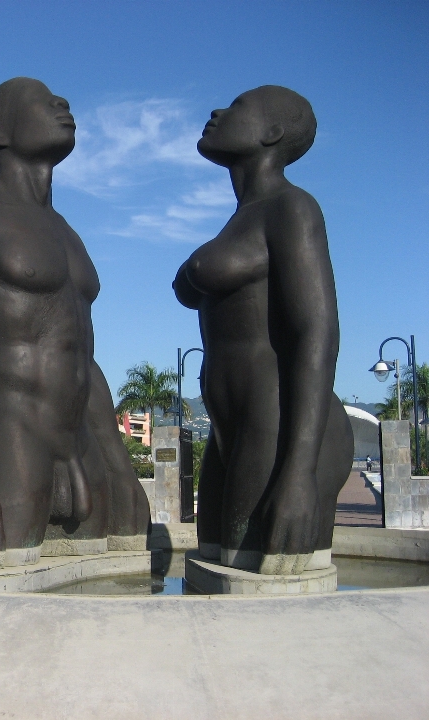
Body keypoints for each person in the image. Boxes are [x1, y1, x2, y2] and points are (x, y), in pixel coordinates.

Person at [0, 77, 150, 571]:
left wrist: (120, 463)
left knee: (106, 594)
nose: (61, 103)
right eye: (41, 100)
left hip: (84, 449)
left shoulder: (70, 235)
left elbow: (82, 359)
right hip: (12, 445)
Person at [173, 86, 353, 575]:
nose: (216, 111)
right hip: (230, 427)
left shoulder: (293, 209)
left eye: (237, 107)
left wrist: (298, 471)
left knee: (252, 576)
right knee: (213, 565)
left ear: (272, 133)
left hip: (279, 428)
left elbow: (318, 332)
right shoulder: (239, 222)